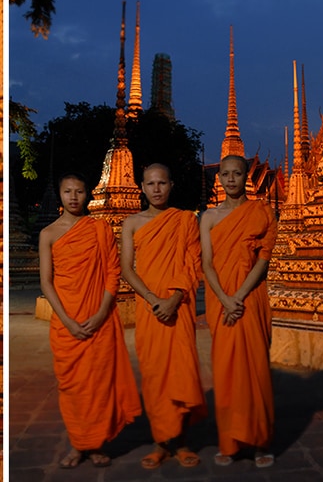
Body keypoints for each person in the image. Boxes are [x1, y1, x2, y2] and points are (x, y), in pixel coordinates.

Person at [39, 172, 141, 469]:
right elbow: (46, 282)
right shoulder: (48, 234)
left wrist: (100, 314)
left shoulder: (100, 229)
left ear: (88, 195)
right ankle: (77, 444)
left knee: (98, 384)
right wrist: (68, 321)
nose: (73, 197)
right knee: (72, 387)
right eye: (68, 191)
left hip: (99, 318)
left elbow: (113, 272)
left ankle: (95, 444)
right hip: (66, 321)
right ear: (60, 195)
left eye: (79, 191)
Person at [120, 163, 206, 469]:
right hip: (149, 309)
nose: (157, 189)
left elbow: (193, 263)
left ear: (171, 185)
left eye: (162, 183)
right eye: (151, 184)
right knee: (155, 375)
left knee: (182, 372)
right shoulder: (132, 223)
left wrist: (174, 298)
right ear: (142, 187)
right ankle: (160, 442)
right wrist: (153, 299)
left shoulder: (185, 220)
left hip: (179, 307)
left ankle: (181, 443)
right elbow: (127, 269)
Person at [200, 155, 277, 468]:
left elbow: (263, 259)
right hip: (221, 302)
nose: (231, 179)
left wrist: (240, 296)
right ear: (219, 178)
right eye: (226, 174)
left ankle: (259, 442)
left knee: (255, 369)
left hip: (250, 297)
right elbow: (206, 263)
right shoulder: (208, 218)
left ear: (246, 176)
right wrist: (224, 298)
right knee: (227, 372)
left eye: (236, 174)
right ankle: (230, 442)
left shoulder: (261, 213)